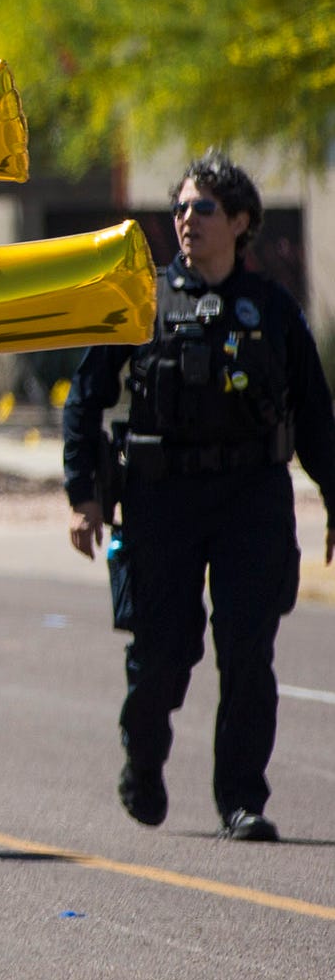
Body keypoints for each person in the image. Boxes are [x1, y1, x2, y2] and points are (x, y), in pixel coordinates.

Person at [63, 153, 335, 842]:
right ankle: (144, 759)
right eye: (181, 207)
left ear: (240, 222)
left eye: (204, 208)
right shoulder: (142, 300)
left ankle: (242, 798)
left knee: (248, 651)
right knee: (163, 652)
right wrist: (82, 496)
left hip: (252, 501)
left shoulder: (273, 310)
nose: (187, 219)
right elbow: (84, 399)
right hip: (162, 502)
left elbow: (315, 415)